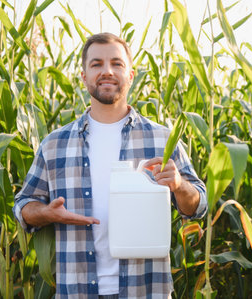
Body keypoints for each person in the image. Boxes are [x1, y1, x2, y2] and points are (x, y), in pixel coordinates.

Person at [13, 32, 207, 299]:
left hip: (145, 290)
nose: (107, 71)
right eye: (96, 64)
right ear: (83, 76)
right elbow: (23, 205)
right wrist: (47, 213)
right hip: (77, 291)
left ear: (131, 74)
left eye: (117, 63)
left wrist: (179, 186)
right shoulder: (54, 144)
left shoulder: (163, 140)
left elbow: (198, 207)